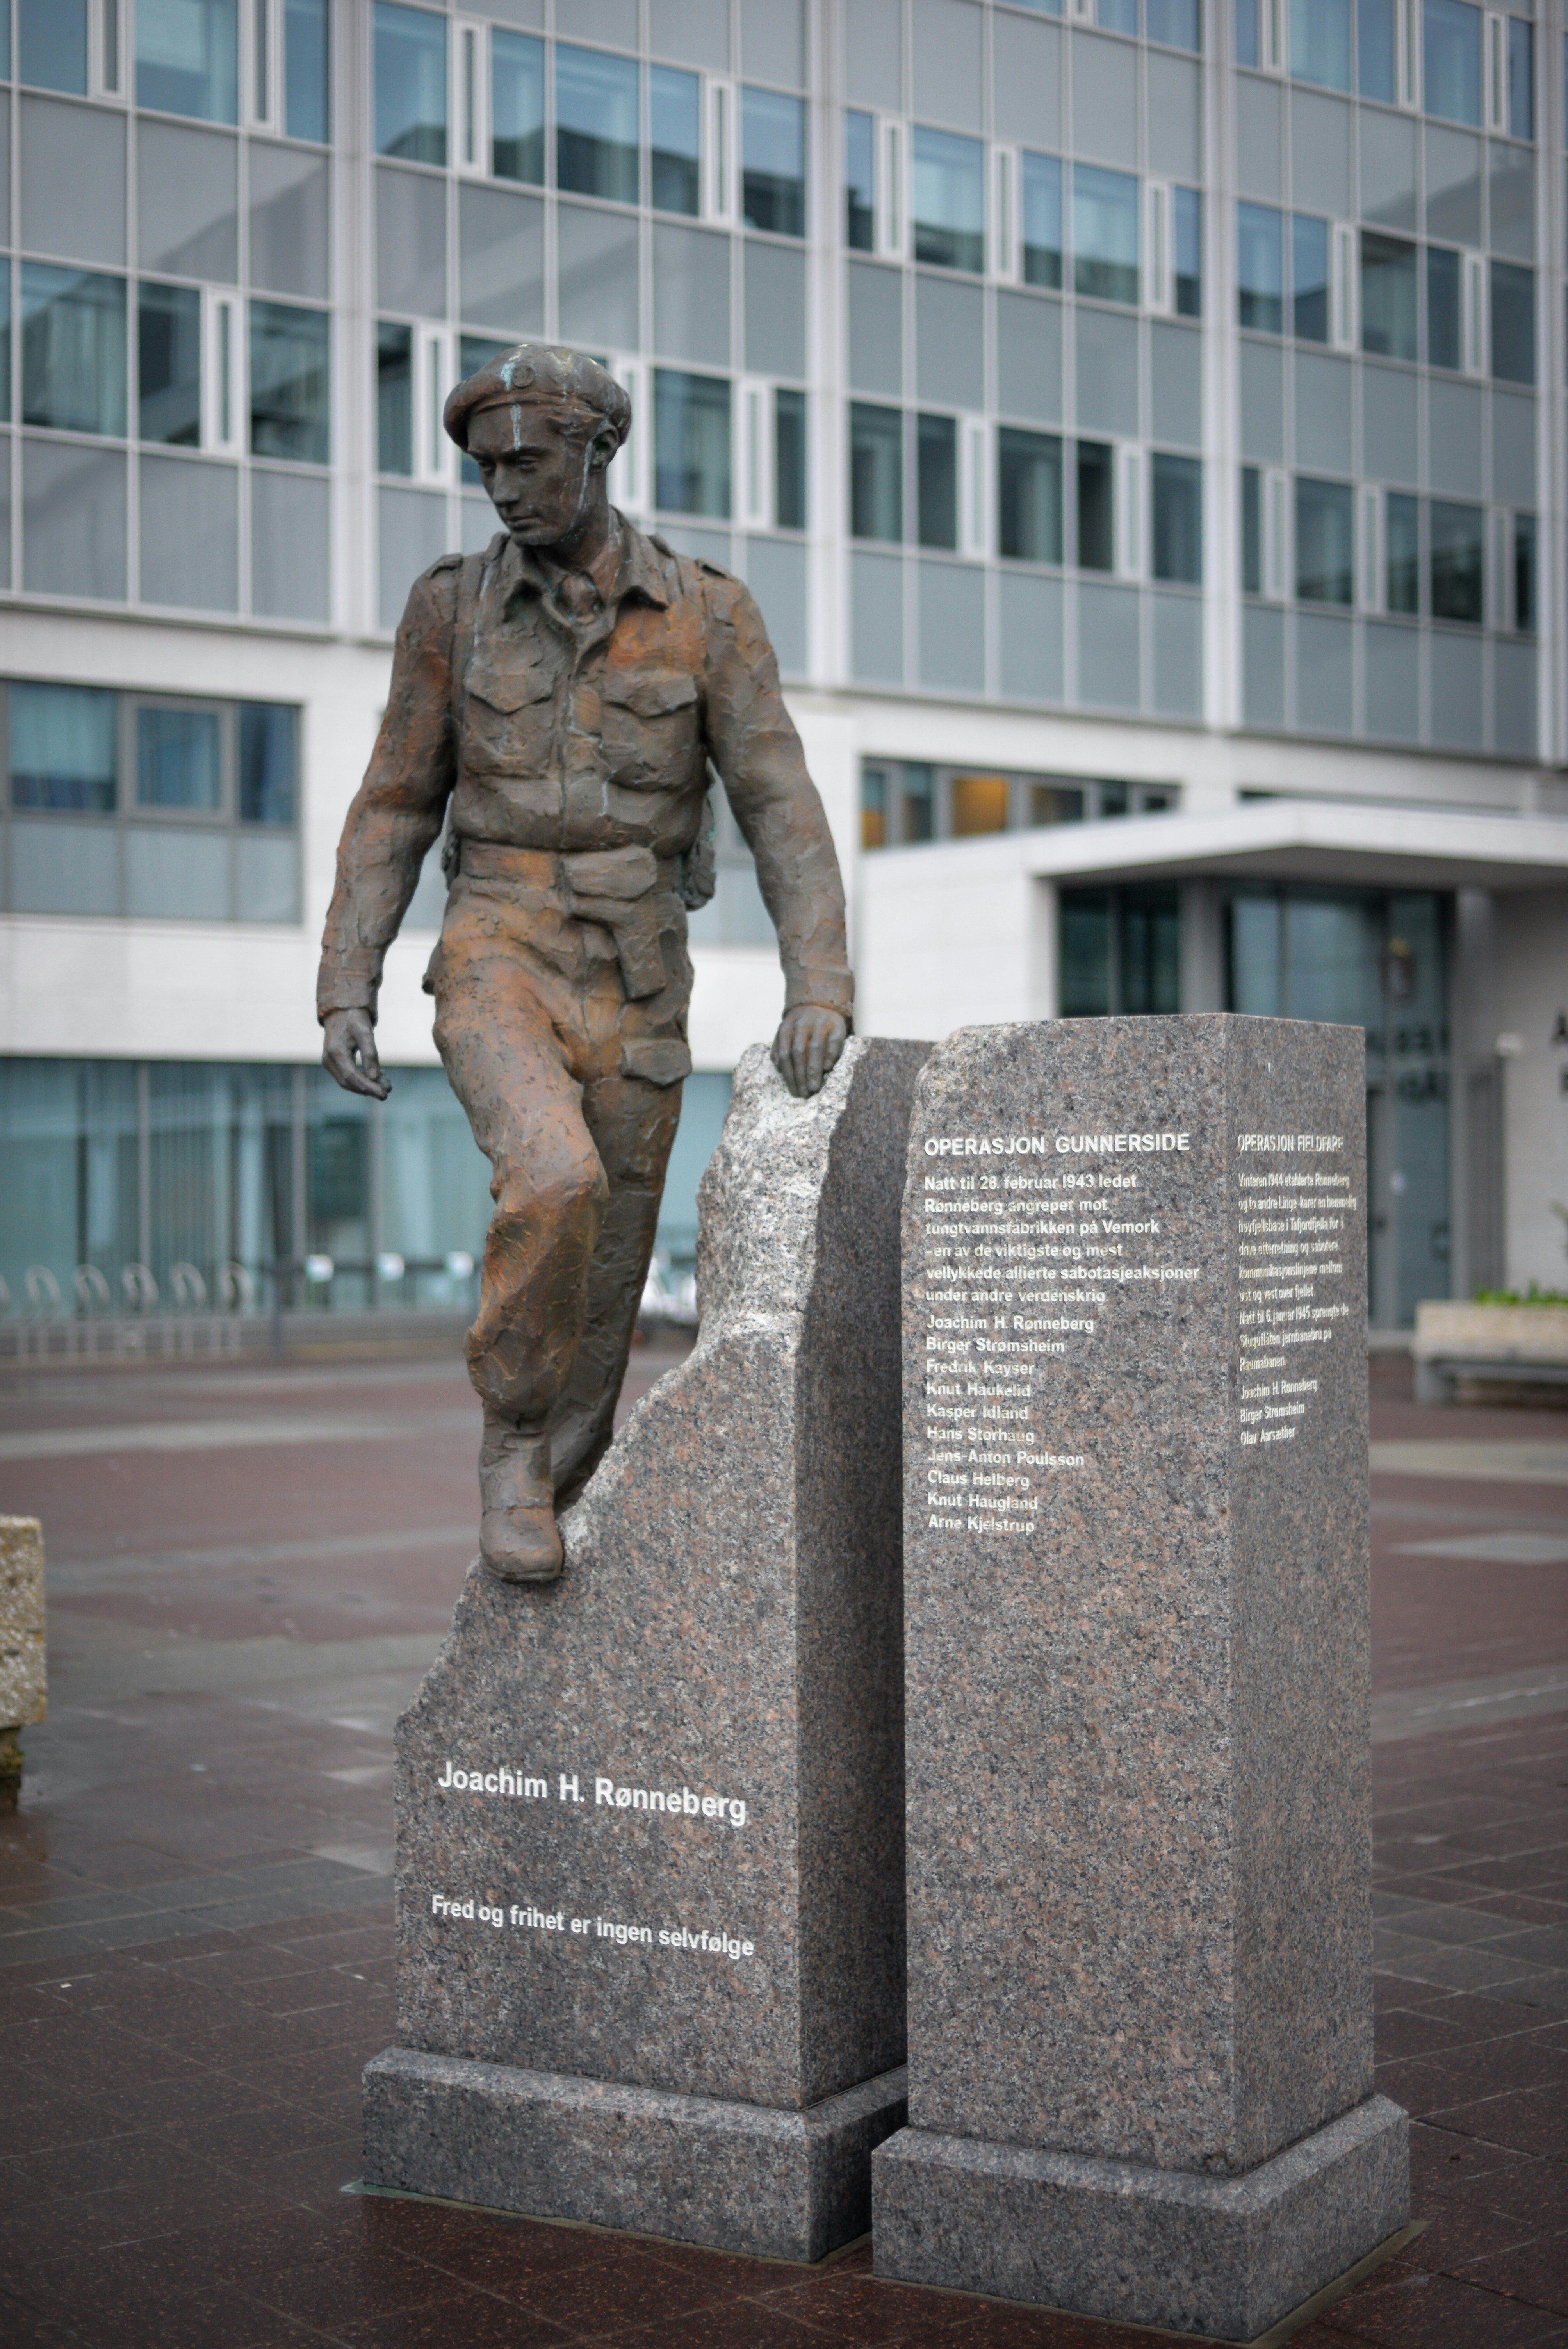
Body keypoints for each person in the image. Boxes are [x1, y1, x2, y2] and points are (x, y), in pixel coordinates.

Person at [317, 346, 852, 1583]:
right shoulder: (451, 609)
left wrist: (819, 984)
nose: (502, 489)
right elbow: (395, 803)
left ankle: (566, 1487)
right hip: (497, 940)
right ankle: (512, 1445)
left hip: (638, 968)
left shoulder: (708, 614)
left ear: (598, 451)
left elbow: (780, 801)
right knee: (554, 1178)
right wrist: (349, 979)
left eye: (526, 462)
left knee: (611, 1262)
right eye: (485, 470)